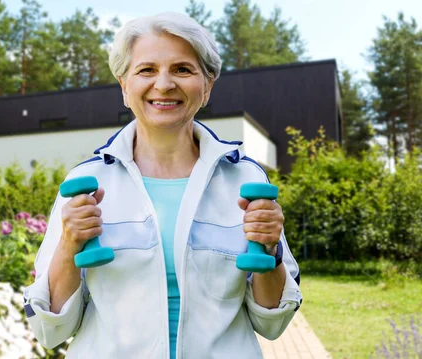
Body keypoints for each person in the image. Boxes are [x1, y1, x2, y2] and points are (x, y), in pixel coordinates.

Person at [23, 11, 302, 359]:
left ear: (207, 86)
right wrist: (68, 245)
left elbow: (272, 322)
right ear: (125, 86)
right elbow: (51, 329)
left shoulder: (246, 180)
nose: (164, 84)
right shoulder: (83, 183)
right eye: (147, 70)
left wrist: (271, 250)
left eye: (182, 69)